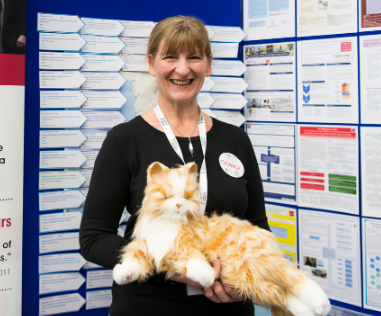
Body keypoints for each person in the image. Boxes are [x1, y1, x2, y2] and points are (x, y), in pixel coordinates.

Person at [79, 16, 269, 316]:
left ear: (208, 64)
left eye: (194, 57)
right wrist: (168, 265)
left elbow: (257, 226)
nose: (183, 69)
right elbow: (93, 238)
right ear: (152, 64)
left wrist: (246, 280)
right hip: (149, 306)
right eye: (170, 57)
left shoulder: (235, 139)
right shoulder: (125, 140)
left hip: (229, 307)